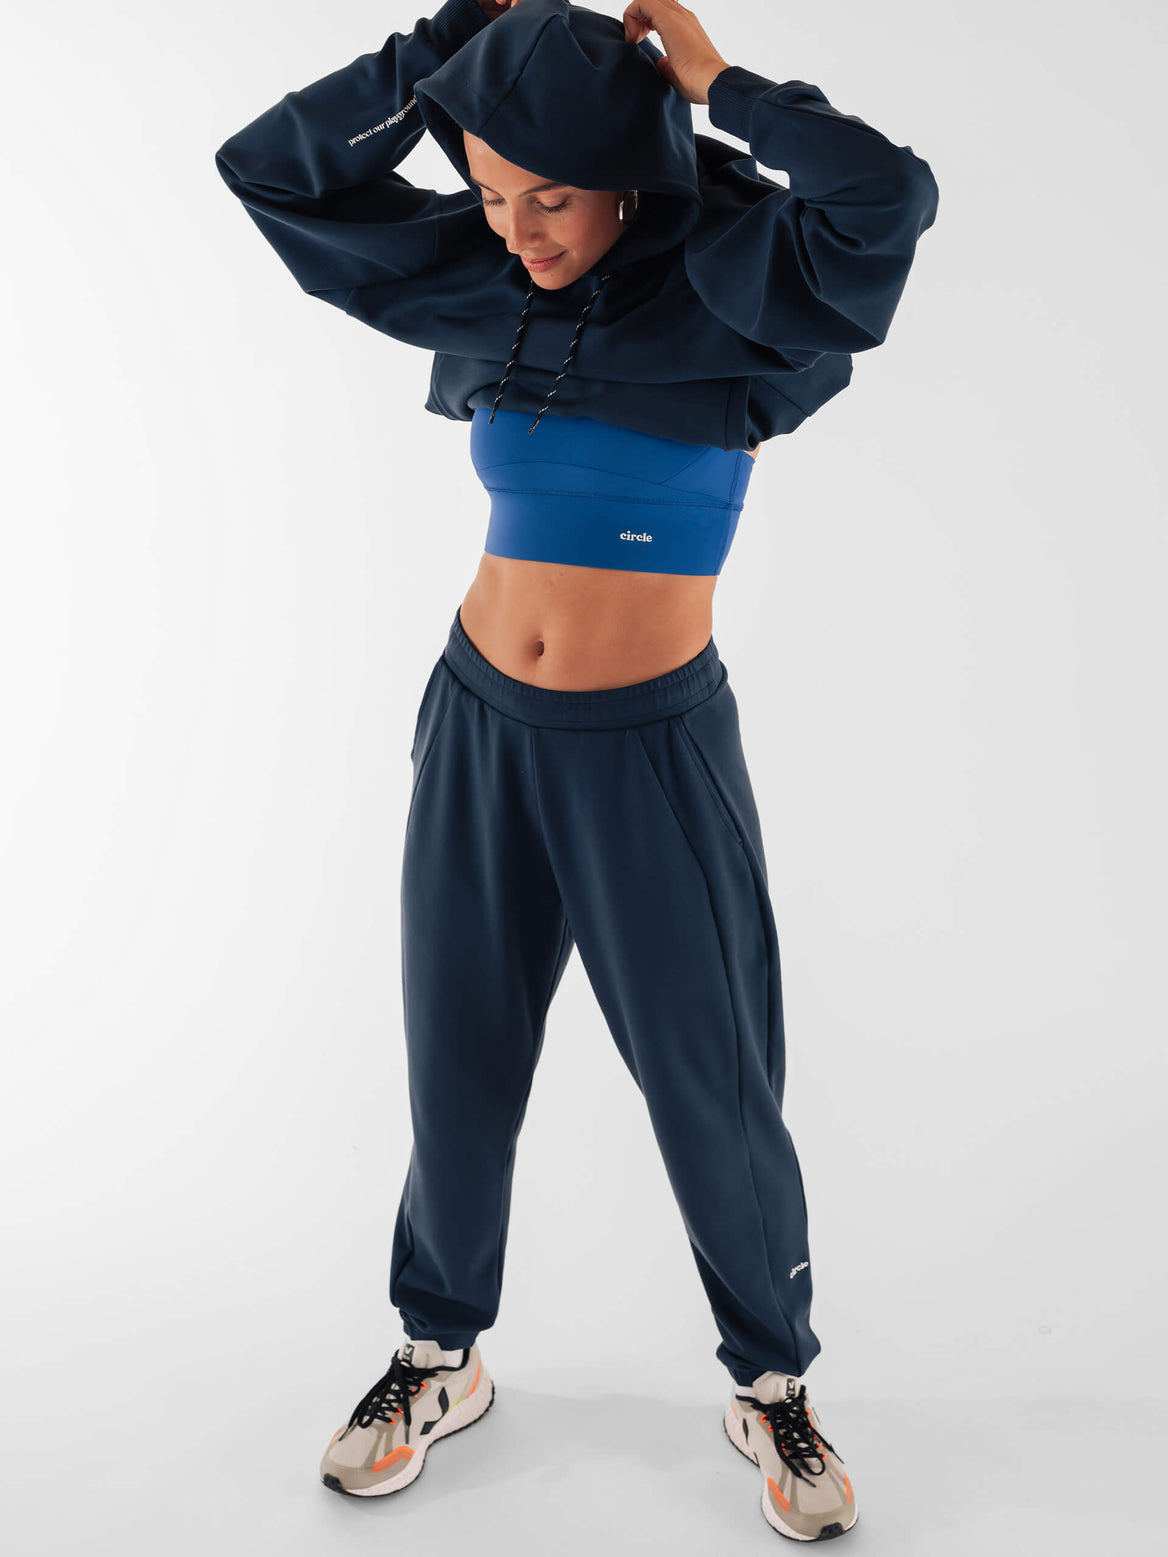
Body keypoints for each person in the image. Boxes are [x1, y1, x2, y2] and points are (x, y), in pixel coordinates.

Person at [214, 0, 938, 1538]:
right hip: (478, 719)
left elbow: (887, 193)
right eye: (489, 192)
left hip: (651, 744)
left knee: (709, 1076)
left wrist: (721, 85)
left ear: (631, 173)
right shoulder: (490, 283)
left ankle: (773, 1380)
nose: (518, 229)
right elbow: (269, 169)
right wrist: (435, 55)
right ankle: (439, 1353)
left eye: (549, 193)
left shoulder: (747, 289)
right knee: (457, 1055)